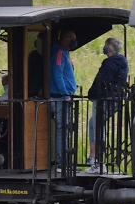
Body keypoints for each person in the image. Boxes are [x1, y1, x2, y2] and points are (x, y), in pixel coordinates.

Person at [85, 36, 128, 172]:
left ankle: (98, 161)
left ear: (108, 49)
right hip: (114, 98)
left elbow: (101, 82)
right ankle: (93, 156)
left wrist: (92, 93)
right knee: (94, 123)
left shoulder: (109, 63)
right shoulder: (122, 62)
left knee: (98, 126)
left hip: (103, 99)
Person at [49, 29, 78, 170]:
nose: (74, 41)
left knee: (65, 129)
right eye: (71, 39)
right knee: (63, 129)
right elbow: (57, 74)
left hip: (63, 97)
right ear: (64, 40)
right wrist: (65, 94)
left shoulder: (64, 53)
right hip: (60, 98)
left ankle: (64, 162)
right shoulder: (59, 53)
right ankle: (62, 163)